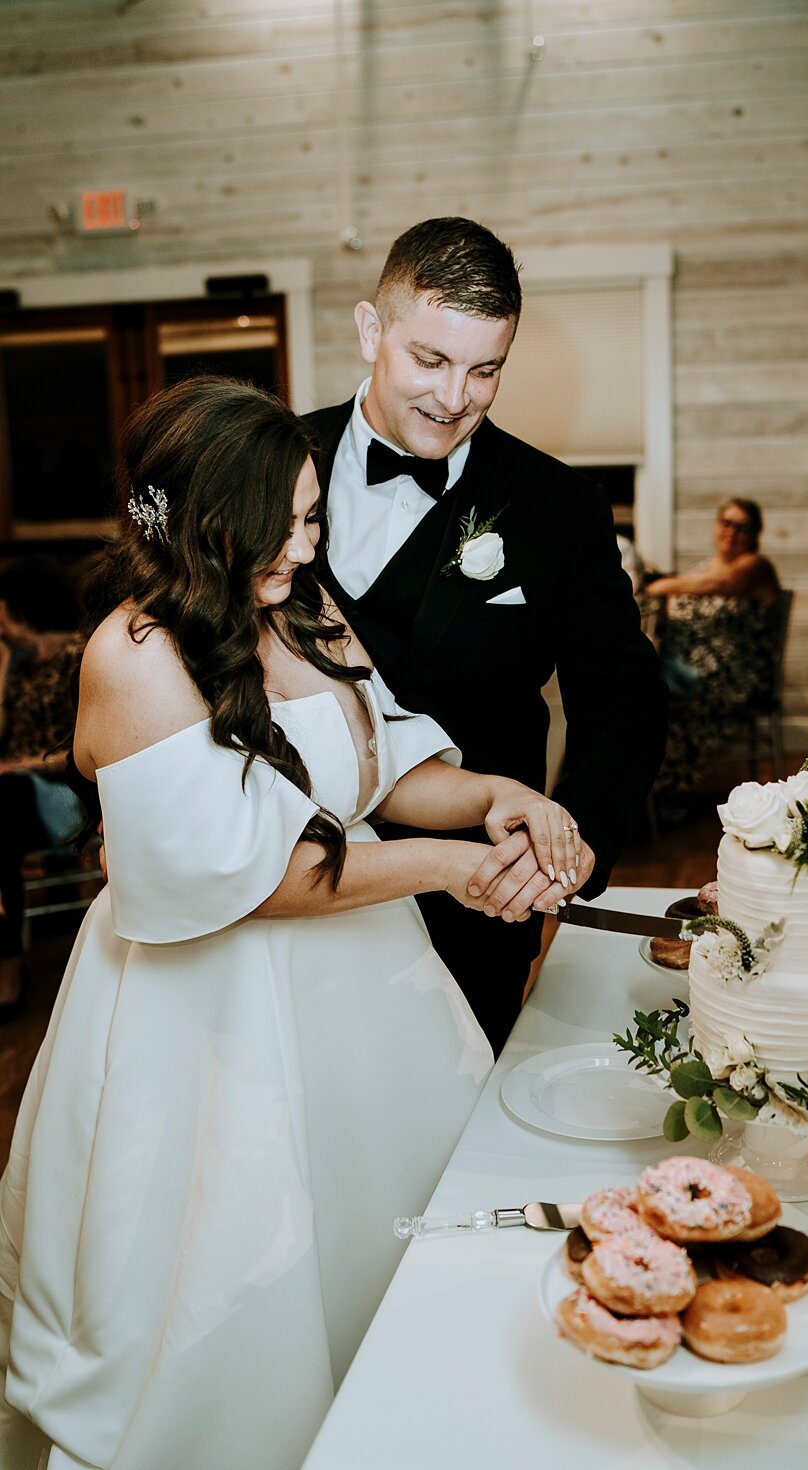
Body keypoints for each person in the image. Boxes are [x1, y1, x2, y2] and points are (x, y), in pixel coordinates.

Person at [0, 377, 580, 1470]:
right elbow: (254, 877)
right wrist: (450, 869)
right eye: (279, 521)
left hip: (374, 994)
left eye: (312, 515)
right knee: (241, 1292)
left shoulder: (301, 606)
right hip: (210, 1025)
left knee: (397, 1267)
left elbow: (387, 762)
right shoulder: (134, 653)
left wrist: (503, 797)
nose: (304, 545)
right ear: (196, 514)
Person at [304, 217, 666, 1054]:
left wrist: (567, 847)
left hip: (480, 891)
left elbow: (623, 699)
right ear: (372, 331)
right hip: (295, 888)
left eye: (485, 369)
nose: (454, 397)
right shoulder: (270, 464)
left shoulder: (558, 509)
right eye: (430, 360)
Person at [646, 497, 782, 822]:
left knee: (662, 702)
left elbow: (720, 586)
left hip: (734, 679)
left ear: (754, 534)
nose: (731, 532)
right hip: (693, 672)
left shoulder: (755, 566)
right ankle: (646, 797)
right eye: (726, 523)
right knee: (645, 691)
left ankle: (670, 796)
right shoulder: (704, 567)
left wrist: (660, 585)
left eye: (742, 527)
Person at [0, 556, 86, 1019]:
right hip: (17, 794)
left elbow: (85, 750)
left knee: (4, 797)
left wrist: (16, 765)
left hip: (65, 792)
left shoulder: (81, 656)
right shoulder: (24, 666)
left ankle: (8, 966)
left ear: (23, 609)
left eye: (3, 613)